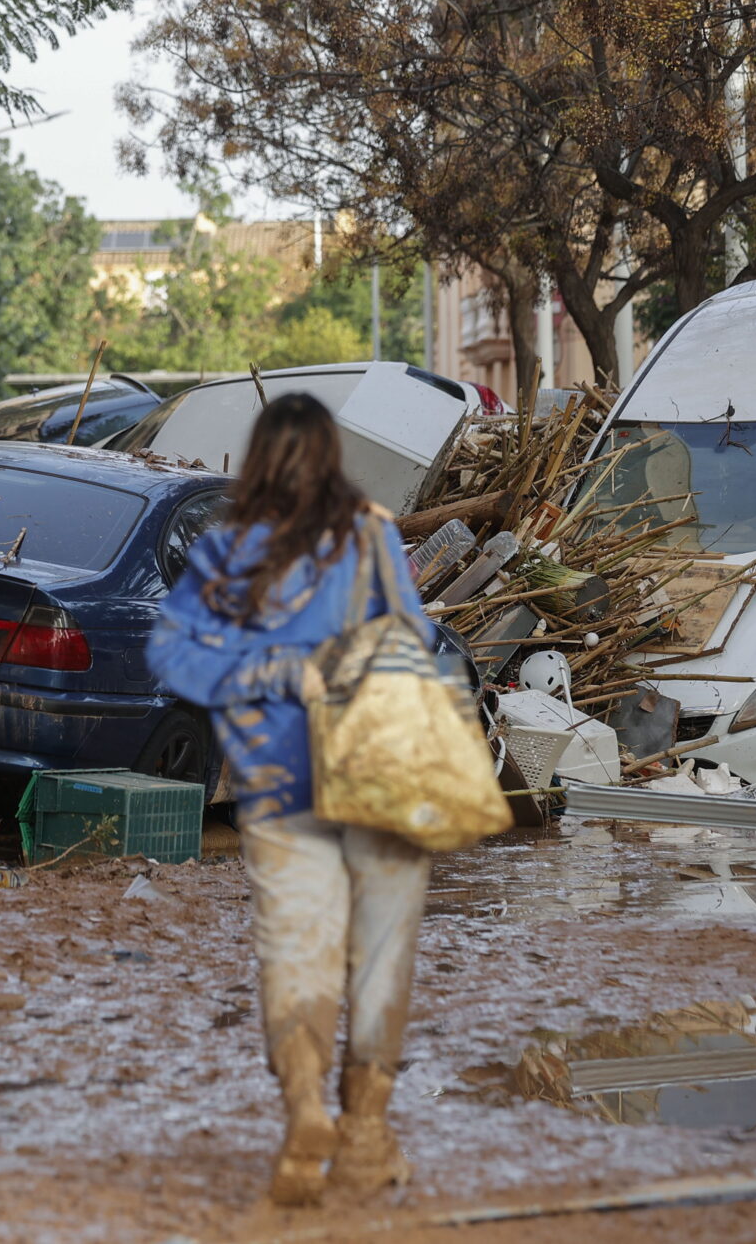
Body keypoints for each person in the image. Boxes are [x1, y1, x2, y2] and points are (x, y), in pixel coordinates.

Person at [148, 393, 436, 1207]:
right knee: (378, 956)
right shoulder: (374, 536)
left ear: (263, 459)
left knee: (296, 952)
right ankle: (367, 1138)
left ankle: (307, 1111)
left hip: (276, 792)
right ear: (333, 456)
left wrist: (260, 675)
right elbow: (413, 640)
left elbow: (171, 655)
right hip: (374, 781)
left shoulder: (228, 554)